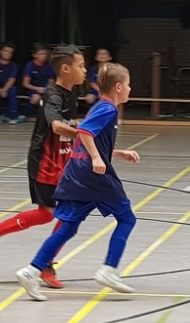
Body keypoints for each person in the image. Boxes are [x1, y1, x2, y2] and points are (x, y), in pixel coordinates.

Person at [15, 62, 140, 302]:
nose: (130, 89)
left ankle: (31, 271)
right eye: (127, 84)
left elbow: (88, 137)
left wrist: (117, 153)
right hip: (93, 176)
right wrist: (97, 158)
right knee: (126, 218)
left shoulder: (100, 107)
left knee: (68, 226)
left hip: (77, 174)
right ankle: (109, 269)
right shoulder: (108, 109)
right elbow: (84, 133)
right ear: (117, 87)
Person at [0, 46, 87, 289]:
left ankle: (43, 261)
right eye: (81, 65)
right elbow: (57, 126)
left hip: (64, 160)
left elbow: (69, 124)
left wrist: (83, 133)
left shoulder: (72, 92)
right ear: (65, 69)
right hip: (46, 162)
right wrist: (86, 134)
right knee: (51, 214)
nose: (85, 70)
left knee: (65, 214)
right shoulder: (53, 95)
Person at [0, 42, 24, 124]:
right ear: (0, 51)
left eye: (10, 52)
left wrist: (4, 90)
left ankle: (13, 116)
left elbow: (12, 79)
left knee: (12, 92)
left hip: (9, 87)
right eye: (5, 51)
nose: (8, 54)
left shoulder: (13, 65)